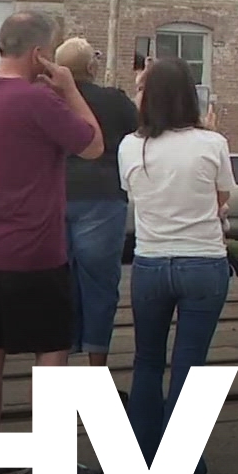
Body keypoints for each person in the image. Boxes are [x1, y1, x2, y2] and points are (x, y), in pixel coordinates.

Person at [0, 11, 107, 474]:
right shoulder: (38, 100)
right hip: (34, 249)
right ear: (40, 54)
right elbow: (93, 145)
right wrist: (70, 89)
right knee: (51, 351)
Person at [118, 57, 238, 474]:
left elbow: (135, 194)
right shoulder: (212, 142)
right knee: (189, 367)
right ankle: (181, 471)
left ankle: (142, 461)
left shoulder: (130, 146)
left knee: (147, 362)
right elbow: (221, 195)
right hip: (203, 263)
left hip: (150, 264)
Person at [57, 37, 140, 371]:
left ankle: (56, 362)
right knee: (100, 285)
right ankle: (96, 368)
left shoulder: (47, 99)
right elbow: (140, 135)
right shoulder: (115, 102)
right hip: (103, 198)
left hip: (54, 196)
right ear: (92, 67)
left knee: (57, 283)